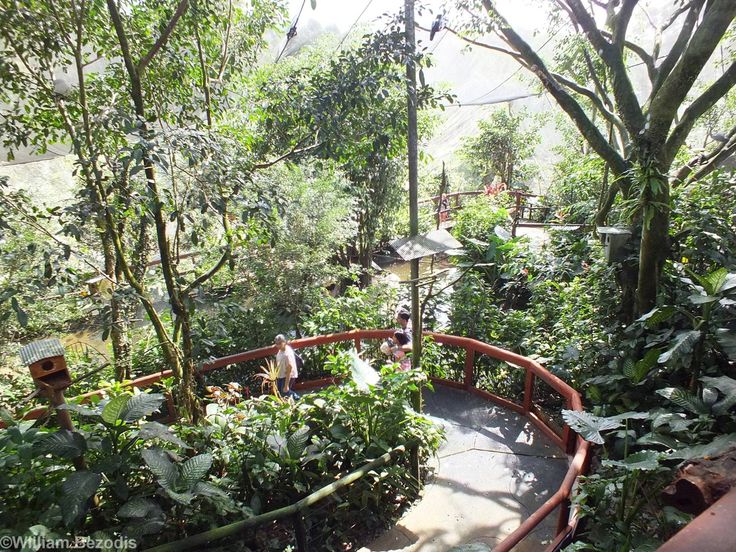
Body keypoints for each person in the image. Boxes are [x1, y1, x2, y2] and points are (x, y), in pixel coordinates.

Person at [274, 334, 300, 400]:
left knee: (285, 392)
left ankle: (297, 398)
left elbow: (289, 369)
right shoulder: (281, 350)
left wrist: (286, 385)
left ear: (284, 342)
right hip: (280, 375)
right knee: (281, 393)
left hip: (287, 376)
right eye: (276, 344)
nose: (278, 345)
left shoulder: (287, 354)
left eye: (280, 343)